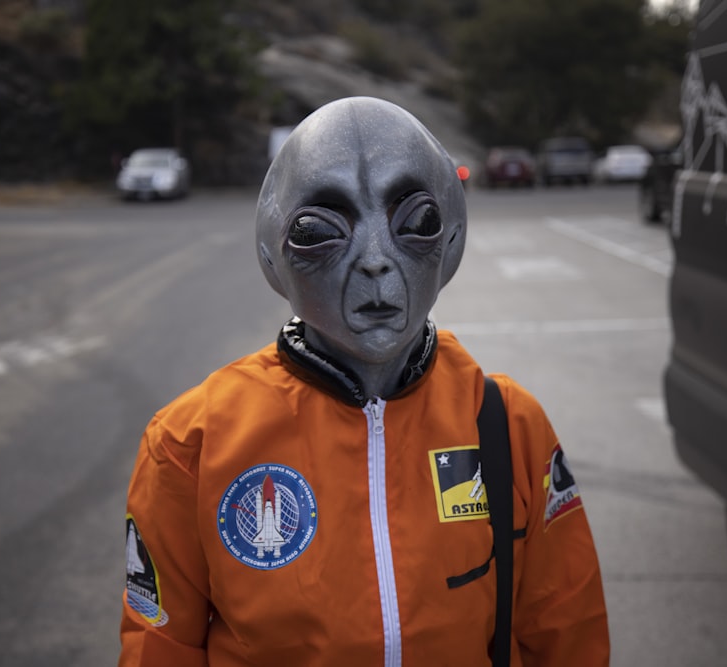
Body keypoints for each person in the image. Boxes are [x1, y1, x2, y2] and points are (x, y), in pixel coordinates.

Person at [119, 97, 609, 666]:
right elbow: (160, 647)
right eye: (320, 230)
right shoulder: (191, 443)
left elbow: (567, 631)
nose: (375, 259)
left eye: (415, 224)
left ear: (451, 242)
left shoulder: (505, 426)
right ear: (271, 256)